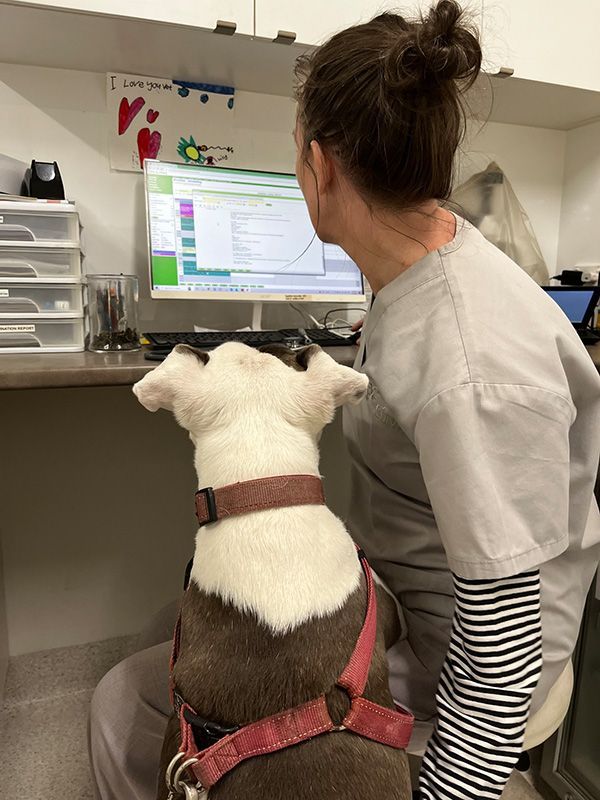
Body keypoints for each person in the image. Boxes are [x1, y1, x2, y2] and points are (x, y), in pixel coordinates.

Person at [89, 2, 600, 798]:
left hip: (456, 671)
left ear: (321, 167)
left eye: (296, 155)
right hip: (393, 594)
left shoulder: (471, 365)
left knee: (125, 702)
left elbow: (502, 660)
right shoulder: (424, 263)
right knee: (173, 626)